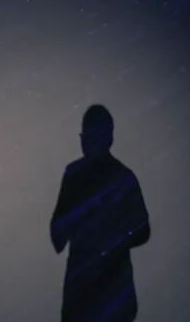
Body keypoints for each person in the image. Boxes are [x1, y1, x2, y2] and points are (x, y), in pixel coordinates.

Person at [51, 105, 150, 322]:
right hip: (103, 297)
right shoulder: (120, 177)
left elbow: (57, 233)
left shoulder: (78, 175)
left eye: (91, 137)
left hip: (93, 296)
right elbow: (57, 231)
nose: (88, 142)